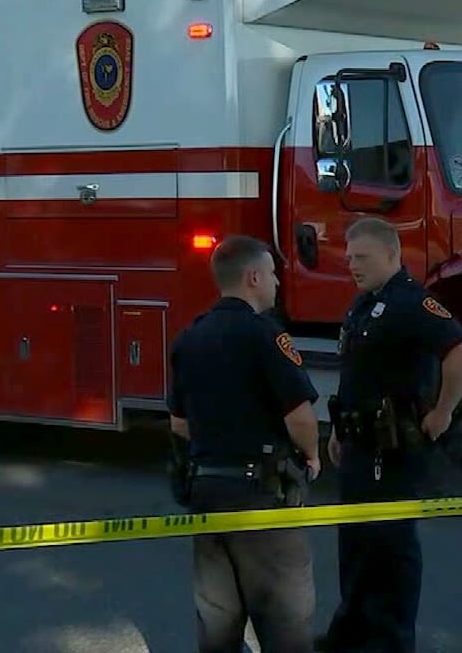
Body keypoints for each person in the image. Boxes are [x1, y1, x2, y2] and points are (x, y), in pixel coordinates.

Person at [318, 218, 462, 653]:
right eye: (350, 257)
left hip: (391, 449)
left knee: (390, 549)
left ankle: (390, 641)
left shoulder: (411, 303)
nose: (352, 264)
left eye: (362, 257)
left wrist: (443, 411)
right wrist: (338, 430)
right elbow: (357, 373)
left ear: (391, 255)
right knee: (355, 544)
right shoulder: (363, 305)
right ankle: (350, 634)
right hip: (357, 443)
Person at [167, 235, 322, 653]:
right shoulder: (265, 336)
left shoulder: (189, 338)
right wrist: (312, 456)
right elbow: (300, 417)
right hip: (260, 497)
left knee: (218, 619)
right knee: (285, 618)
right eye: (272, 274)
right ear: (253, 277)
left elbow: (179, 424)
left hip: (207, 492)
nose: (276, 283)